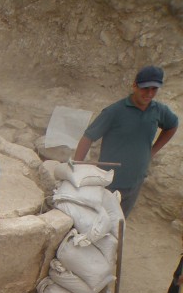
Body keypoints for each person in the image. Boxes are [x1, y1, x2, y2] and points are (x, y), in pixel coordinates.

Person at [72, 65, 178, 218]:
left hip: (135, 181)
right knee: (98, 220)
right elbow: (88, 137)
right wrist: (77, 167)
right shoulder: (115, 111)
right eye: (145, 88)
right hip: (110, 182)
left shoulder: (159, 110)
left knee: (119, 222)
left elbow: (172, 125)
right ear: (135, 86)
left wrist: (152, 151)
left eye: (154, 89)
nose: (149, 94)